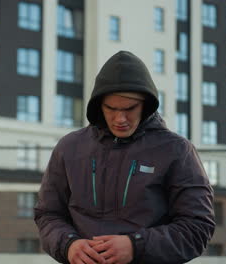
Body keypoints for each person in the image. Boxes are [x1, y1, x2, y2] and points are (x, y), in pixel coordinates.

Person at [34, 51, 215, 264]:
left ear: (146, 104)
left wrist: (136, 246)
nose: (120, 119)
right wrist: (69, 245)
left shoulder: (177, 150)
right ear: (98, 105)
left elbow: (197, 227)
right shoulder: (69, 147)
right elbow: (48, 214)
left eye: (130, 109)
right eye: (111, 108)